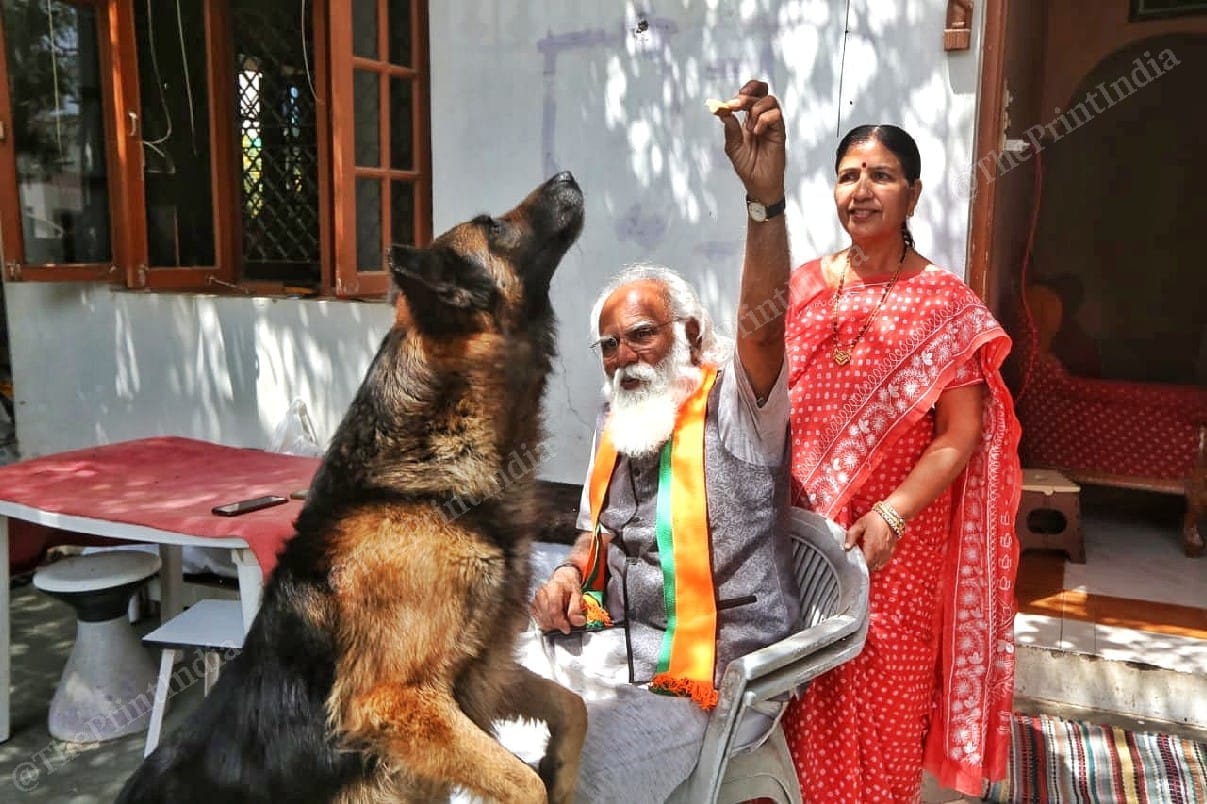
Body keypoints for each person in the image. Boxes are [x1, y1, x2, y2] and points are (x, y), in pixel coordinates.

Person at [525, 80, 798, 802]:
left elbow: (764, 327)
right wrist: (566, 578)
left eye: (642, 334)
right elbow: (592, 538)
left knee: (568, 782)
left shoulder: (736, 407)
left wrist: (764, 203)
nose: (625, 358)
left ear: (690, 335)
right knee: (468, 679)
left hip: (703, 678)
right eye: (610, 346)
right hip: (605, 639)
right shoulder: (620, 417)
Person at [779, 123, 1023, 801]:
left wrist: (892, 513)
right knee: (796, 691)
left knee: (882, 694)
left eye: (881, 176)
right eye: (847, 175)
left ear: (912, 196)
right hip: (803, 537)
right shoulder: (801, 287)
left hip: (893, 546)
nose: (861, 190)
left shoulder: (945, 305)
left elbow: (960, 432)